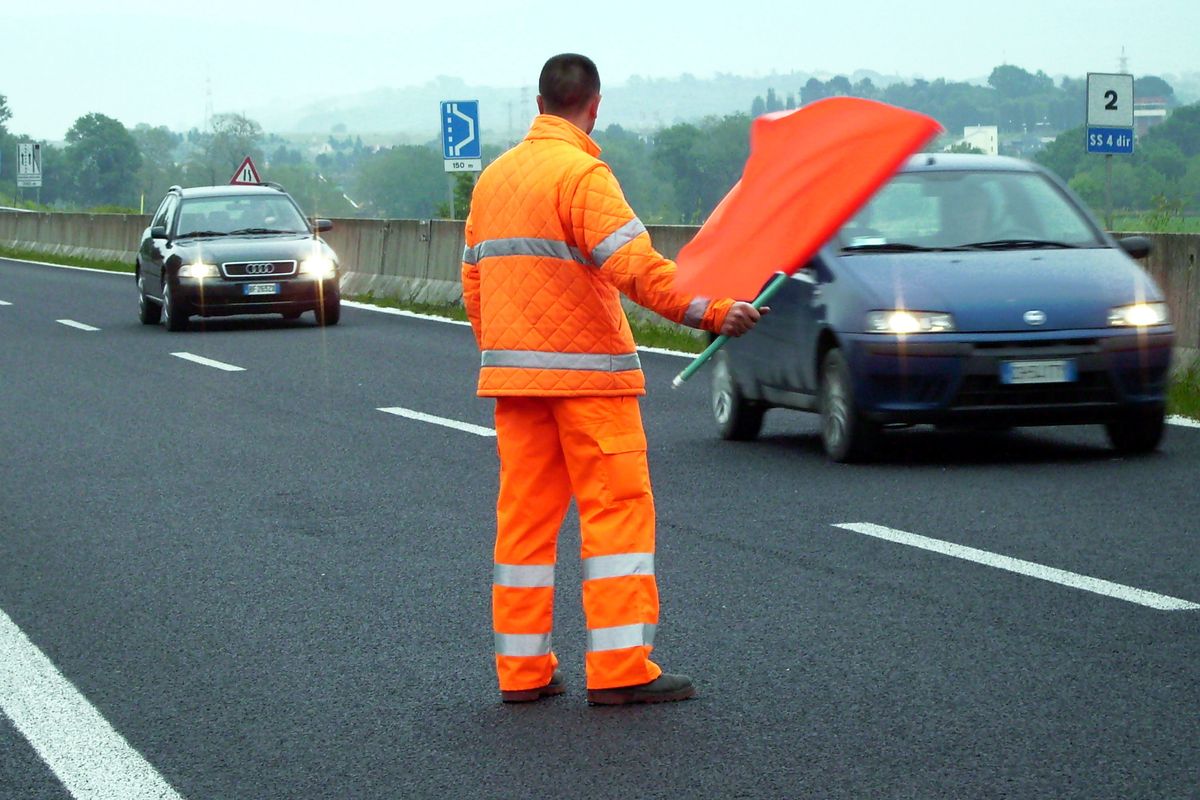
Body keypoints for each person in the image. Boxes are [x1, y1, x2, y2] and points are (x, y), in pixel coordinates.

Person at [461, 53, 764, 706]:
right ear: (594, 106)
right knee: (615, 518)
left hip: (517, 386)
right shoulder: (582, 175)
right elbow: (637, 268)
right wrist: (712, 311)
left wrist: (507, 354)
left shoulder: (492, 180)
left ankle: (522, 673)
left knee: (523, 528)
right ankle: (620, 668)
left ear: (539, 103)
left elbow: (474, 284)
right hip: (592, 386)